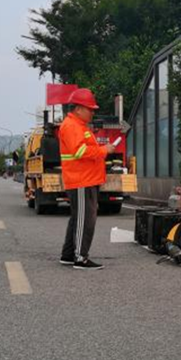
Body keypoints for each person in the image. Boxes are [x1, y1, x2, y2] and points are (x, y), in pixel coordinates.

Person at [58, 88, 117, 270]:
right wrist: (104, 150)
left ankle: (69, 255)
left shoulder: (78, 125)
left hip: (84, 179)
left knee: (78, 218)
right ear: (78, 109)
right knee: (85, 220)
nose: (93, 112)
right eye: (90, 109)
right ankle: (80, 258)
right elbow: (80, 151)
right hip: (82, 180)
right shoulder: (72, 126)